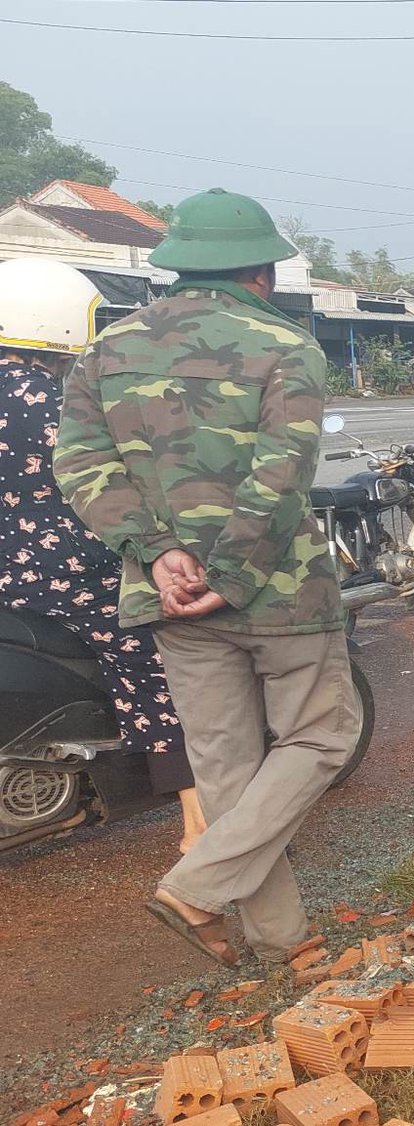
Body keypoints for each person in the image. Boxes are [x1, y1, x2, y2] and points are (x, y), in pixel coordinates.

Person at [54, 188, 362, 968]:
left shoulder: (105, 352)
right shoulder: (285, 345)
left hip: (169, 593)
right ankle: (197, 884)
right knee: (324, 735)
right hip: (281, 590)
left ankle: (286, 943)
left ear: (175, 266)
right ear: (260, 270)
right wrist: (231, 569)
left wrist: (158, 550)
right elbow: (282, 474)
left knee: (226, 767)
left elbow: (81, 466)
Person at [0, 258, 206, 854]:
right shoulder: (59, 405)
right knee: (162, 668)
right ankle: (200, 824)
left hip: (10, 579)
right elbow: (132, 483)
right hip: (69, 576)